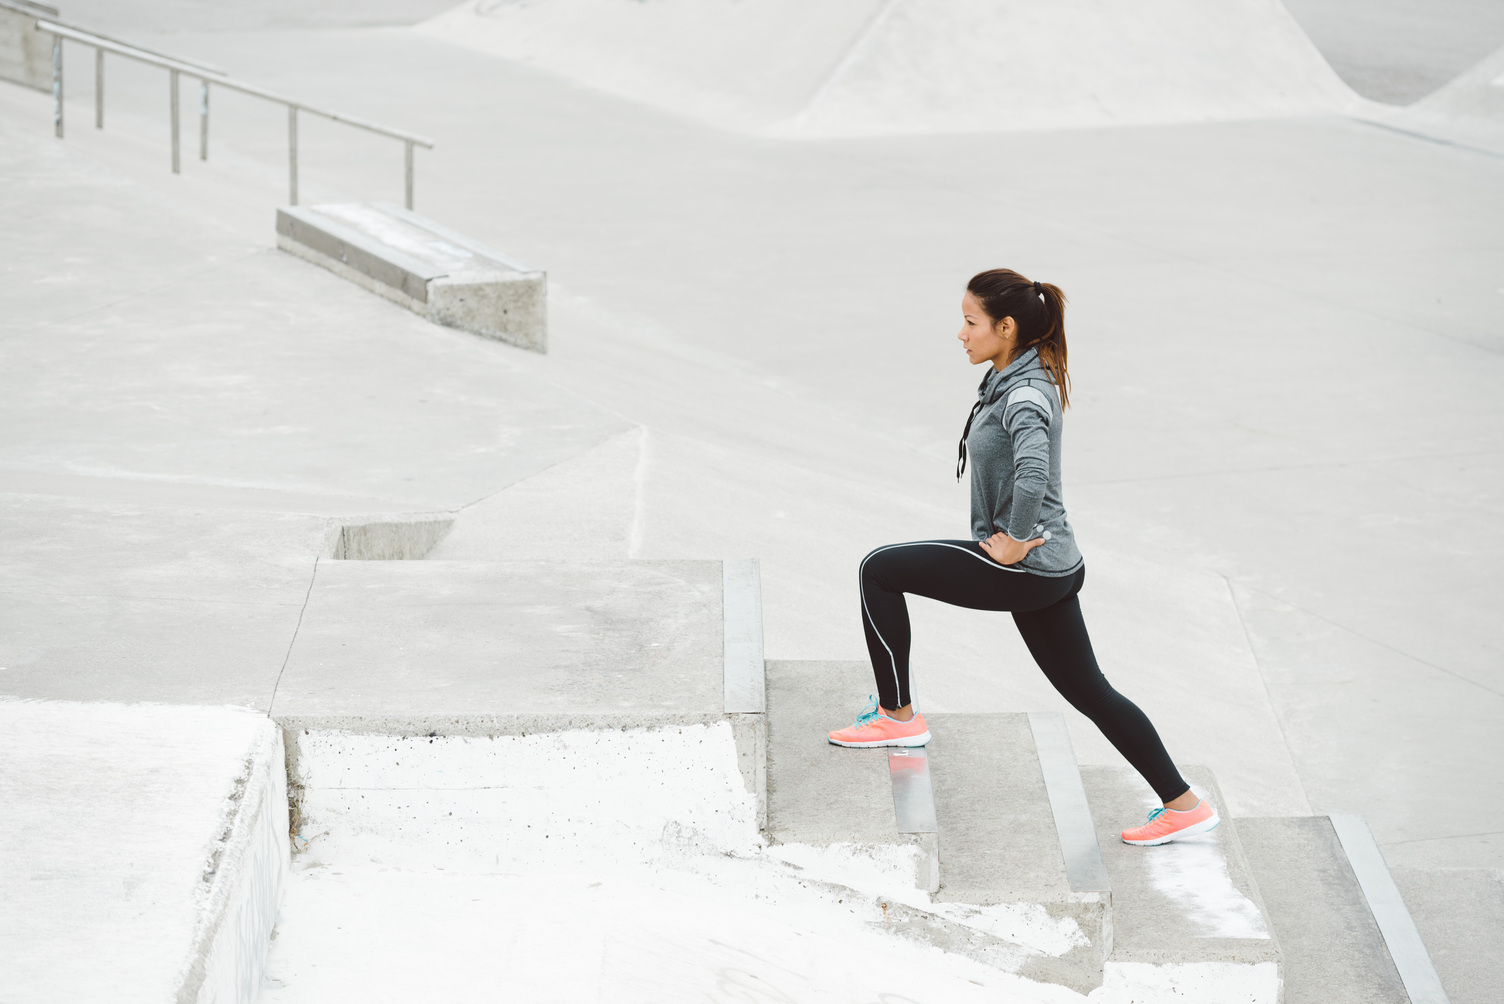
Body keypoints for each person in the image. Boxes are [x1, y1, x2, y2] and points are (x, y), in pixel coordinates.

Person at [826, 269, 1217, 846]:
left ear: (1006, 328)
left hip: (1026, 565)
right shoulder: (1014, 375)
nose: (960, 333)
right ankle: (1183, 804)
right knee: (1091, 691)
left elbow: (1033, 469)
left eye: (970, 321)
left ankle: (897, 716)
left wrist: (1011, 538)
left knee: (878, 568)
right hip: (1054, 567)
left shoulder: (1026, 393)